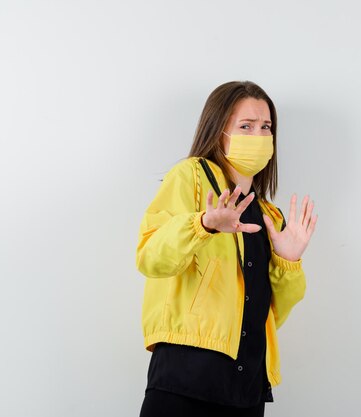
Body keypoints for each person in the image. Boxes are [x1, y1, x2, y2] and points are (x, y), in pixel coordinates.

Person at [135, 80, 317, 417]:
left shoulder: (267, 215)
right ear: (219, 130)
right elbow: (151, 257)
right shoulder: (190, 177)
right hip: (185, 378)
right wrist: (203, 225)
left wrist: (288, 262)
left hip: (247, 388)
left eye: (266, 128)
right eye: (245, 126)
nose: (259, 137)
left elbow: (272, 314)